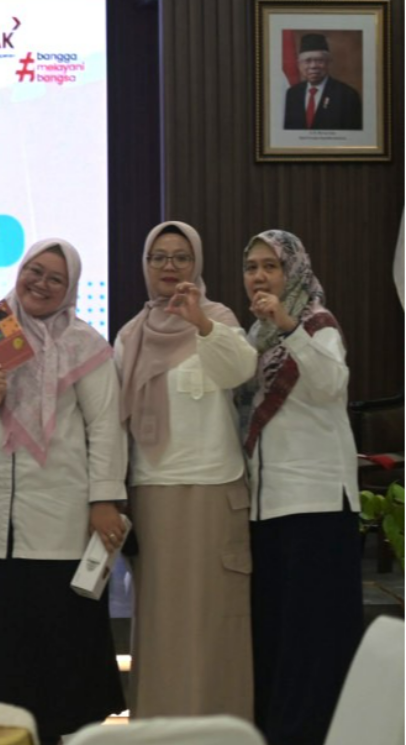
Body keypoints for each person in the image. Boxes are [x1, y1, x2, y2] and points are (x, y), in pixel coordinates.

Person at [0, 239, 127, 742]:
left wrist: (104, 500)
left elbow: (106, 427)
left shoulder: (85, 343)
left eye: (55, 279)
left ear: (70, 289)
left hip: (57, 519)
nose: (41, 284)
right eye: (34, 271)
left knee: (59, 652)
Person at [113, 222, 256, 720]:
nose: (169, 267)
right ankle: (160, 725)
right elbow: (117, 422)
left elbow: (240, 370)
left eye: (180, 257)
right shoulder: (130, 334)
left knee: (216, 616)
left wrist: (202, 324)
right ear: (146, 266)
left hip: (214, 488)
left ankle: (218, 726)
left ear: (196, 264)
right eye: (159, 257)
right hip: (153, 490)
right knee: (161, 621)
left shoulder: (218, 318)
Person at [237, 230, 363, 745]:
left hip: (317, 504)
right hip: (267, 508)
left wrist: (289, 326)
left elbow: (332, 385)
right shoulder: (254, 336)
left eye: (271, 266)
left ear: (294, 271)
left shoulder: (316, 322)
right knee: (279, 636)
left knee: (315, 638)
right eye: (252, 267)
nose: (260, 276)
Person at [282, 33, 362, 131]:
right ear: (299, 65)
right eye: (307, 61)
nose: (313, 66)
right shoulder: (292, 94)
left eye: (319, 61)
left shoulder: (347, 95)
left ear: (328, 63)